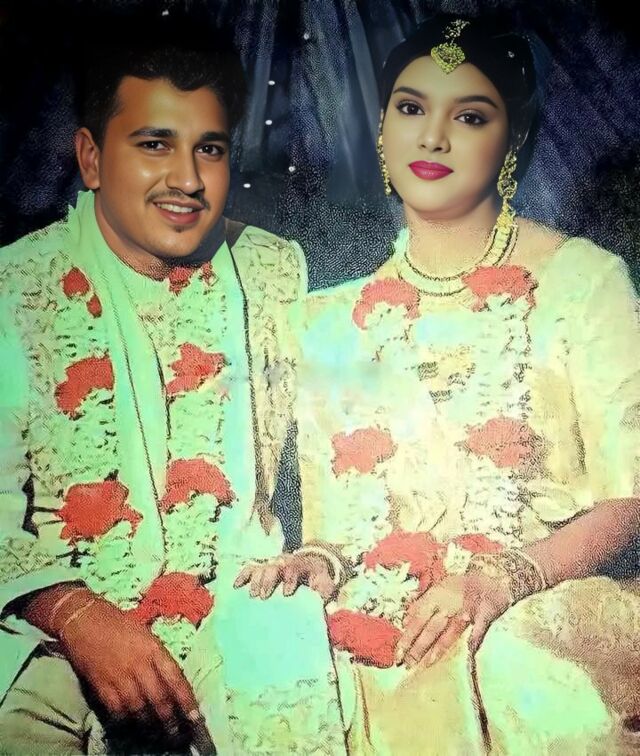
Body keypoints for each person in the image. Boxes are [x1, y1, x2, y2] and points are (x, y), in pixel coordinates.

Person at [236, 13, 640, 753]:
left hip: (545, 603)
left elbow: (630, 496)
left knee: (506, 657)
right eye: (412, 108)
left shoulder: (583, 283)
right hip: (393, 597)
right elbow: (338, 528)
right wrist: (316, 562)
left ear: (512, 140)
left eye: (471, 116)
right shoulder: (329, 322)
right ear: (382, 130)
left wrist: (503, 580)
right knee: (275, 652)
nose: (433, 137)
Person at [0, 15, 345, 755]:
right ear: (91, 158)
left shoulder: (274, 271)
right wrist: (75, 613)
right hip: (49, 624)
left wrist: (320, 551)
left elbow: (334, 456)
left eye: (209, 149)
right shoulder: (16, 287)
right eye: (154, 144)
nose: (187, 180)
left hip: (240, 606)